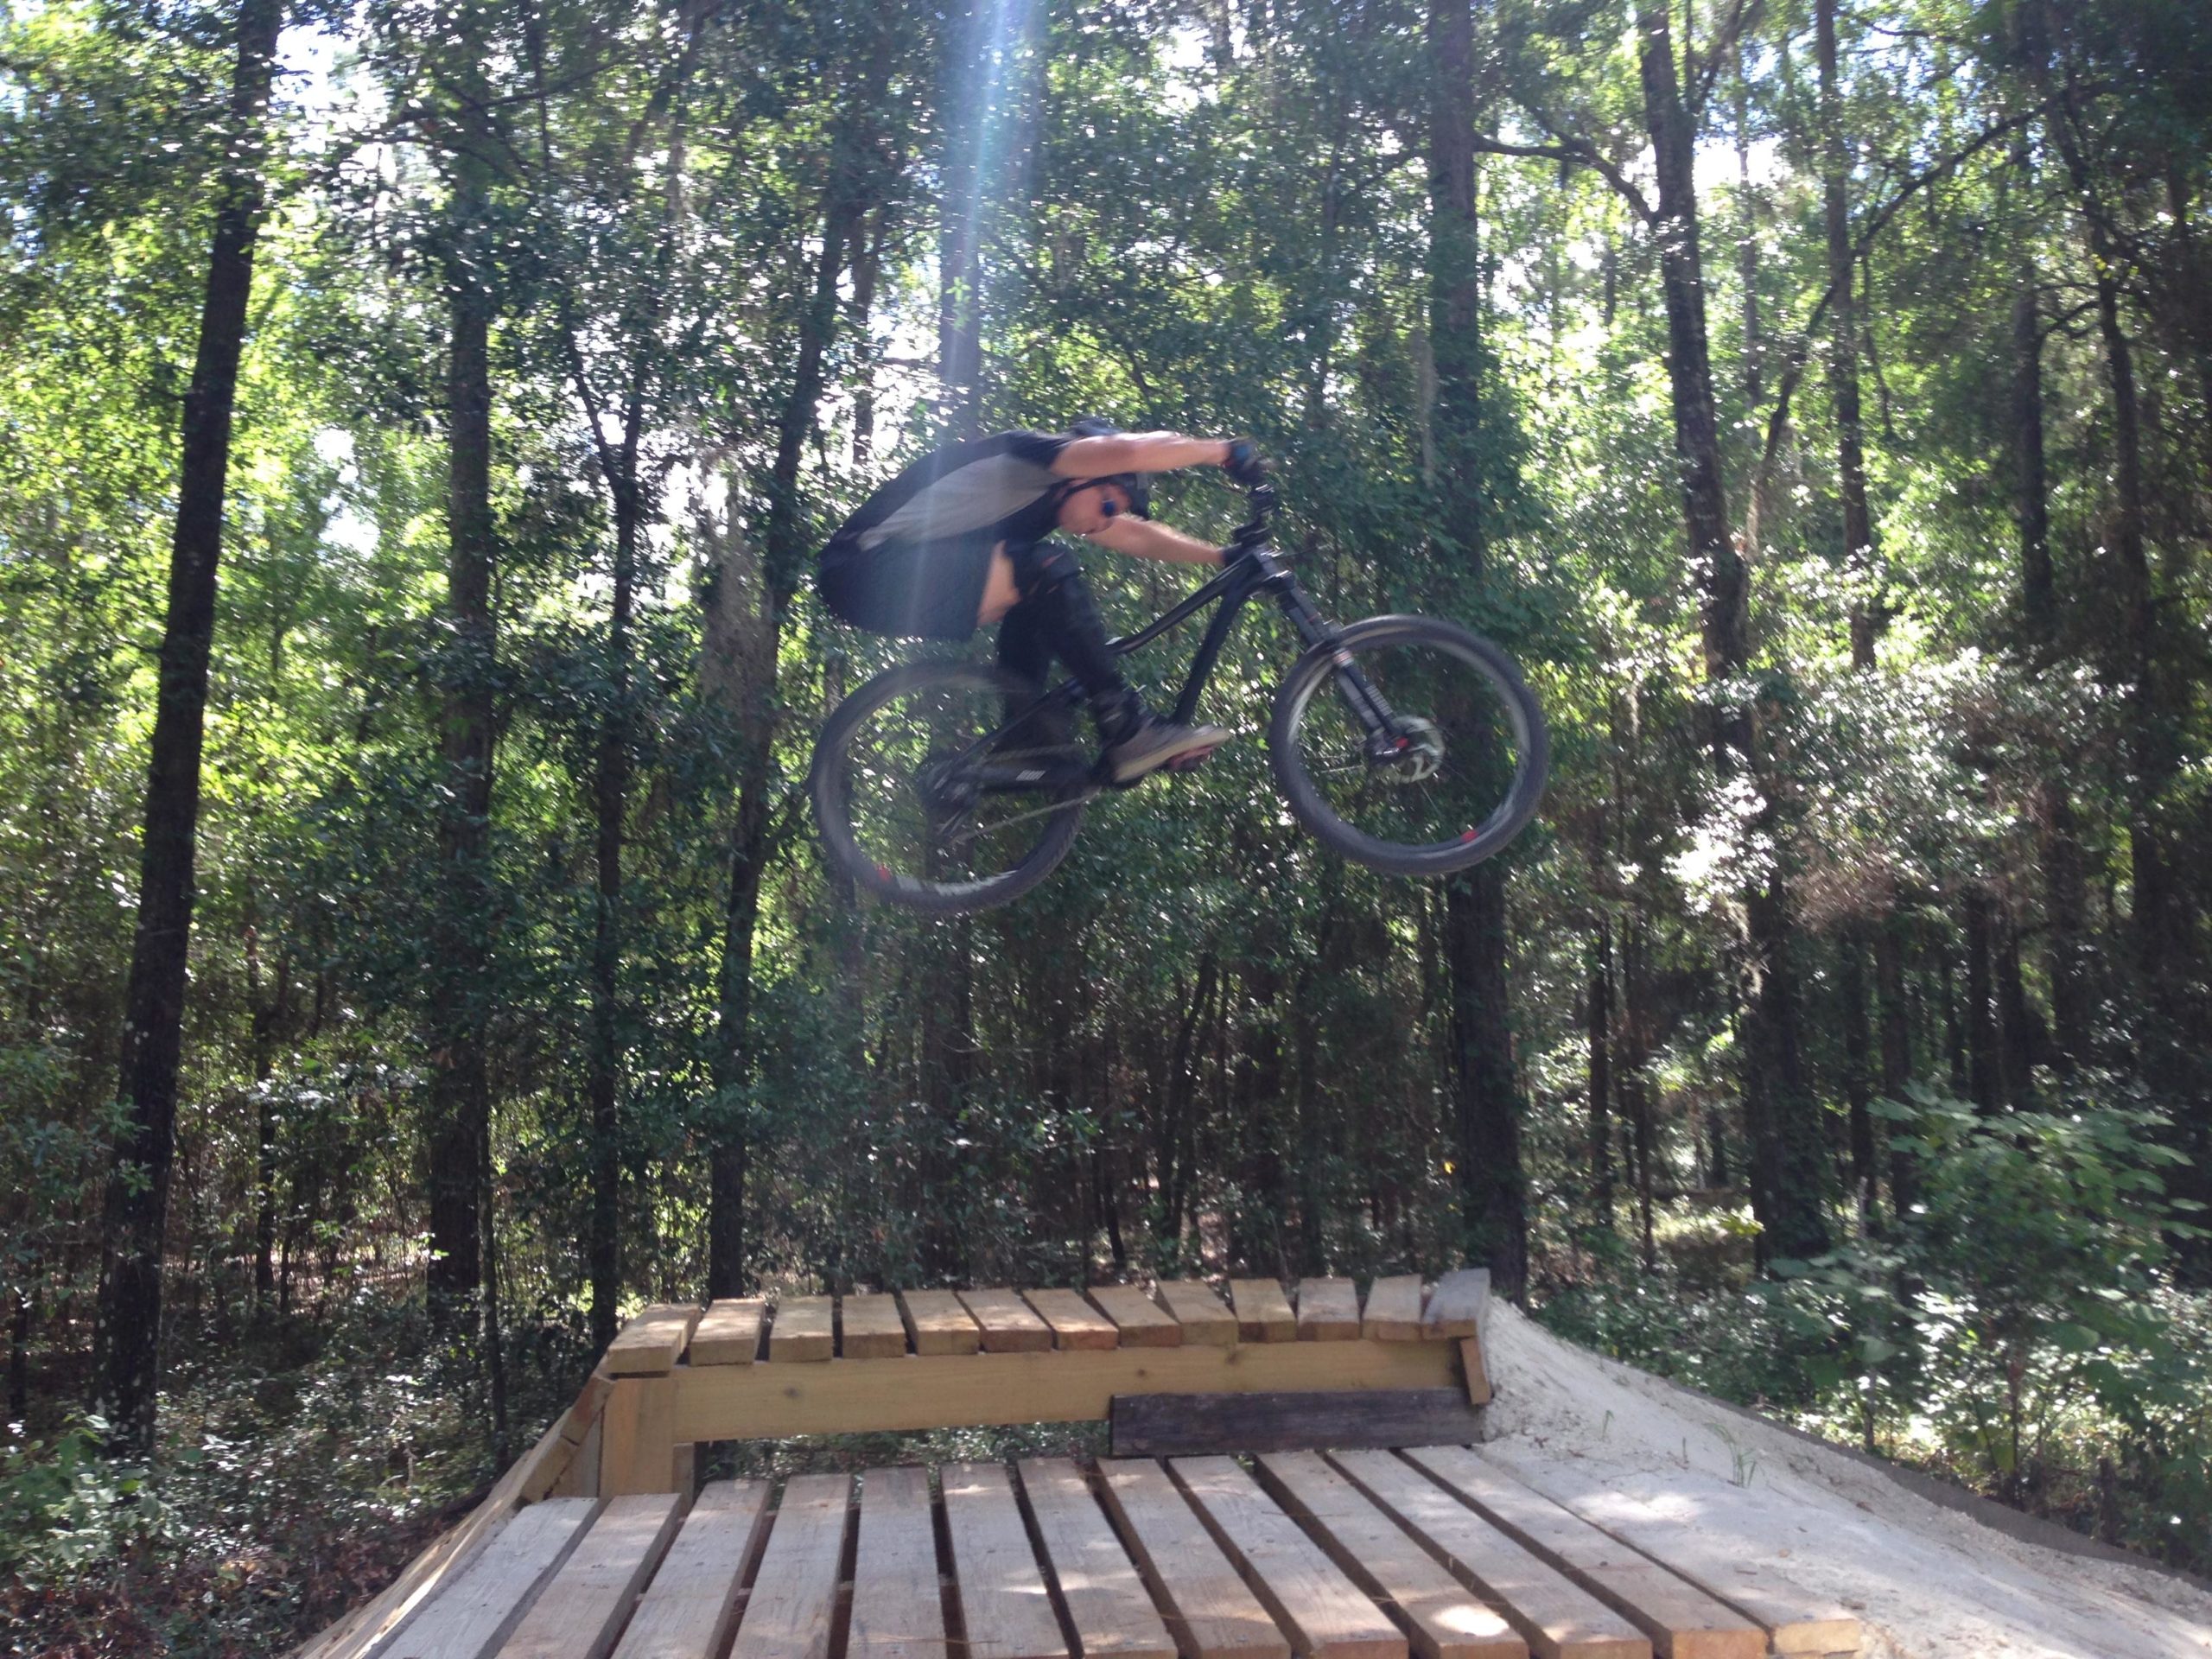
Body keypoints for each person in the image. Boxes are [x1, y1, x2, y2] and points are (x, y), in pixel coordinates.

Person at [817, 418, 1267, 782]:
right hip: (864, 569)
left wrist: (1221, 556)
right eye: (1108, 506)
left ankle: (1024, 742)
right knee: (1046, 567)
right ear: (1086, 474)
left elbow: (1138, 536)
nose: (1104, 523)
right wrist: (1223, 451)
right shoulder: (1036, 456)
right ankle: (1126, 725)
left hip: (893, 580)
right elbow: (1130, 453)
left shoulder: (1055, 499)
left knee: (1038, 590)